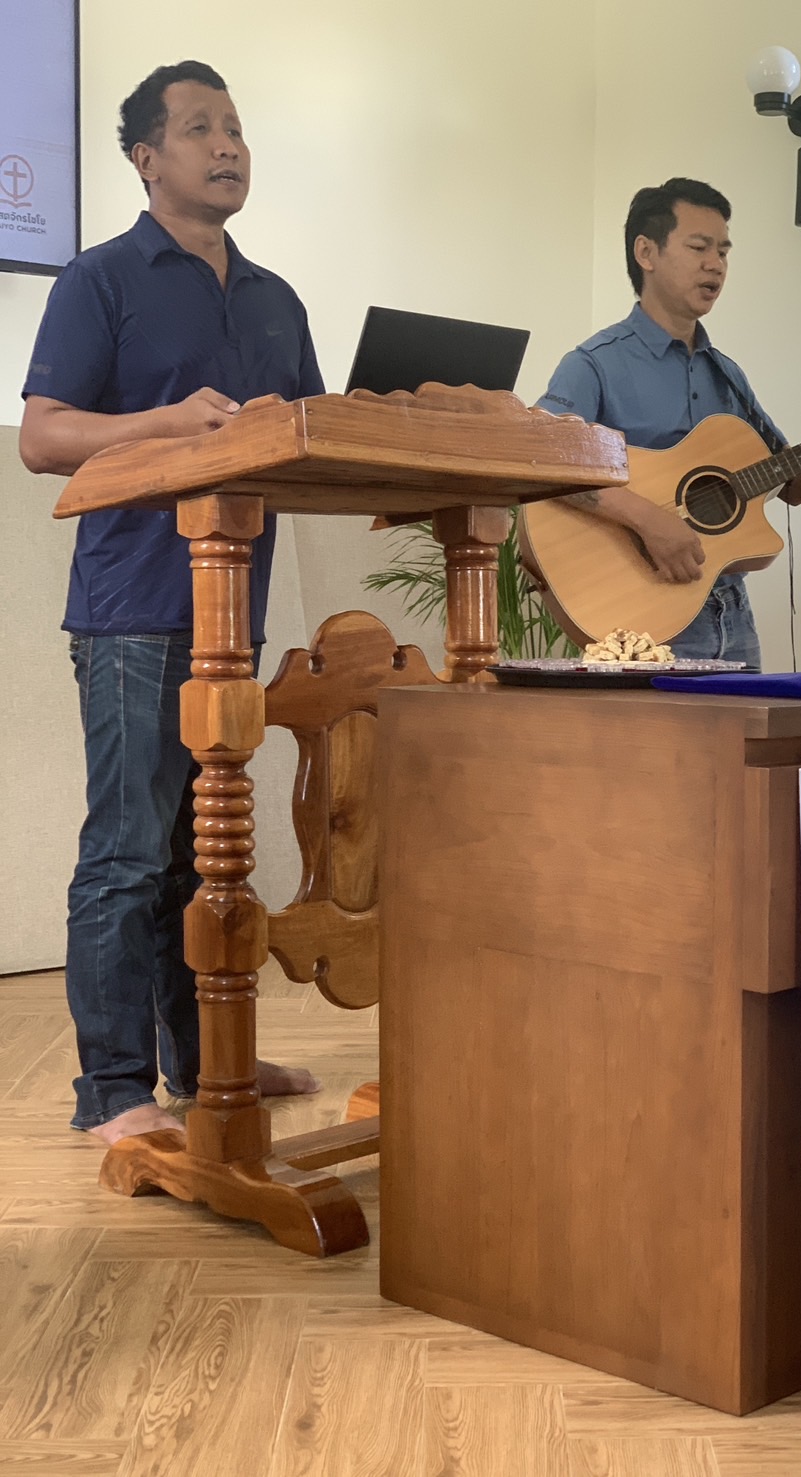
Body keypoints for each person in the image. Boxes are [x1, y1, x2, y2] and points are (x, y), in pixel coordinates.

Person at [20, 61, 324, 1145]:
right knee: (132, 851)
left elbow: (307, 439)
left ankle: (206, 1068)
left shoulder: (279, 298)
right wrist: (159, 426)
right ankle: (109, 1090)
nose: (229, 146)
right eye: (201, 129)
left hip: (232, 616)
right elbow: (43, 437)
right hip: (133, 609)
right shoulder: (100, 279)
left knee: (211, 857)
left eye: (237, 127)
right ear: (147, 157)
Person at [535, 177, 801, 668]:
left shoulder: (726, 375)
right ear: (647, 252)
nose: (716, 264)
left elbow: (789, 479)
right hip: (640, 617)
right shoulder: (594, 364)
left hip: (732, 615)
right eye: (699, 247)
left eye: (724, 252)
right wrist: (648, 519)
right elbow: (541, 461)